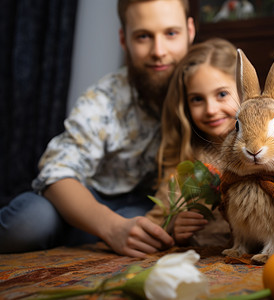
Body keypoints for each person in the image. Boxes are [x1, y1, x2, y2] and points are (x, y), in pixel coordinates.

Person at [0, 0, 195, 258]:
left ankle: (80, 240)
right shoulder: (106, 97)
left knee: (147, 225)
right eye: (143, 36)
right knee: (31, 221)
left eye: (171, 33)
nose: (158, 51)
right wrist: (112, 228)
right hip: (83, 199)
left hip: (141, 207)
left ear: (190, 31)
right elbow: (56, 172)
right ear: (123, 40)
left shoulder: (208, 95)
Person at [146, 38, 239, 246]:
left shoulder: (264, 151)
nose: (211, 109)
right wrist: (173, 227)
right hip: (205, 260)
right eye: (197, 99)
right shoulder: (187, 160)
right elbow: (156, 220)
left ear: (243, 90)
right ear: (186, 105)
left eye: (222, 94)